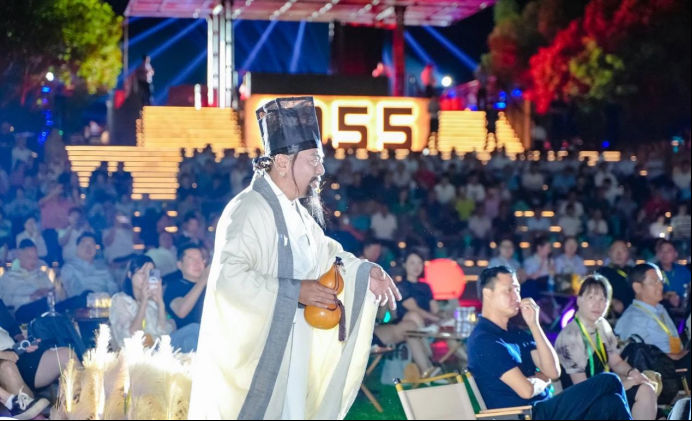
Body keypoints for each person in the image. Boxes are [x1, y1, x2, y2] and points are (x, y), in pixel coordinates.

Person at [188, 96, 400, 419]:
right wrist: (296, 290)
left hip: (296, 346)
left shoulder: (297, 214)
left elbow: (329, 255)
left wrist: (365, 271)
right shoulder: (248, 209)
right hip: (262, 352)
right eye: (314, 160)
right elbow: (229, 278)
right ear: (283, 162)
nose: (321, 170)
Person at [467, 266, 632, 420]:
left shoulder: (515, 332)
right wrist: (542, 380)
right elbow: (526, 390)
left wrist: (534, 325)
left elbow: (553, 372)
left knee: (611, 403)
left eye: (517, 289)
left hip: (543, 407)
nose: (516, 297)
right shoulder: (484, 340)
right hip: (524, 414)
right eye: (508, 290)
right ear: (488, 294)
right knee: (609, 380)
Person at [555, 275, 657, 419]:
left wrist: (632, 373)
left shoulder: (602, 325)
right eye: (591, 298)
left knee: (646, 389)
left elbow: (616, 362)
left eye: (603, 299)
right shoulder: (571, 335)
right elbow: (582, 389)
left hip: (603, 392)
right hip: (579, 402)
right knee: (615, 399)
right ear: (579, 300)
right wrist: (625, 383)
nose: (597, 304)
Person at [108, 255, 197, 352]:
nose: (146, 278)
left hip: (160, 347)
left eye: (150, 273)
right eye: (142, 273)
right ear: (130, 275)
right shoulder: (120, 300)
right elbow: (131, 335)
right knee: (193, 330)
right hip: (139, 351)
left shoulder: (153, 302)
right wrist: (144, 302)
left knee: (194, 330)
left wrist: (160, 303)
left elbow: (166, 331)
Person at [373, 251, 439, 377]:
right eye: (412, 263)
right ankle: (429, 360)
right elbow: (415, 310)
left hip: (425, 325)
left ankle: (465, 367)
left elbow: (435, 309)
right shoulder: (401, 287)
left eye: (419, 263)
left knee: (413, 324)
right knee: (412, 316)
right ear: (405, 265)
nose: (416, 266)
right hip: (409, 325)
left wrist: (441, 318)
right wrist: (437, 319)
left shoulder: (426, 286)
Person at [614, 263, 689, 373]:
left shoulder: (659, 308)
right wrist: (682, 356)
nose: (661, 286)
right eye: (654, 282)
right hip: (661, 373)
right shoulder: (633, 319)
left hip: (677, 367)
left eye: (661, 281)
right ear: (637, 287)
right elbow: (642, 358)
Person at [163, 243, 207, 331]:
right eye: (191, 259)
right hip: (189, 335)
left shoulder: (212, 285)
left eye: (200, 259)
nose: (197, 263)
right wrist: (203, 279)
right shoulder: (174, 287)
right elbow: (181, 311)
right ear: (180, 265)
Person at [60, 232, 118, 298]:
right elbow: (74, 293)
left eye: (92, 244)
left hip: (107, 301)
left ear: (96, 249)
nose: (88, 248)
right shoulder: (69, 268)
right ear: (77, 248)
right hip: (83, 302)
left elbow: (114, 289)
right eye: (84, 245)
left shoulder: (103, 267)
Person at [598, 240, 635, 316]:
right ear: (609, 253)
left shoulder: (634, 272)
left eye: (623, 250)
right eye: (615, 250)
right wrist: (612, 301)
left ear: (628, 253)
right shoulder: (602, 273)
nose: (619, 254)